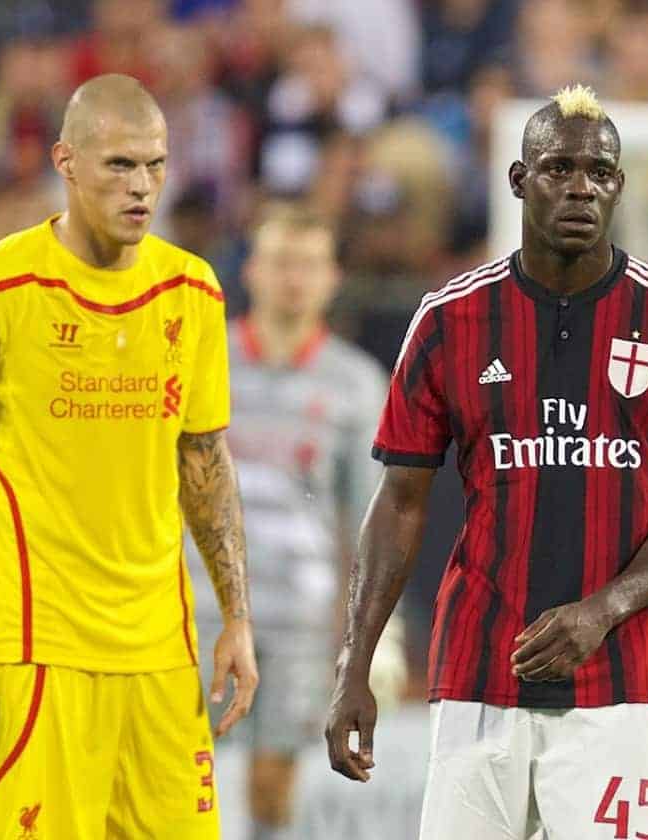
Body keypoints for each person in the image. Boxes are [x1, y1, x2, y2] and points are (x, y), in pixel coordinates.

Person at [0, 74, 259, 840]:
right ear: (67, 163)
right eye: (119, 166)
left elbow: (202, 459)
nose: (142, 187)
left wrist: (235, 614)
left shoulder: (193, 291)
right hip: (37, 646)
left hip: (160, 648)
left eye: (156, 166)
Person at [326, 84, 648, 840]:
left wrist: (602, 610)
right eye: (558, 168)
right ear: (518, 180)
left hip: (624, 689)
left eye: (599, 172)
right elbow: (399, 501)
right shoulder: (450, 318)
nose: (581, 186)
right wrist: (354, 665)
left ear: (618, 185)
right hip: (480, 676)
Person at [187, 204, 401, 840]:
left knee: (274, 782)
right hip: (195, 610)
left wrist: (377, 638)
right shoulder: (204, 361)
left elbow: (373, 516)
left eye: (308, 265)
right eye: (281, 261)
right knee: (175, 775)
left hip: (299, 622)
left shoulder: (358, 386)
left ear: (331, 277)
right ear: (251, 269)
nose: (294, 279)